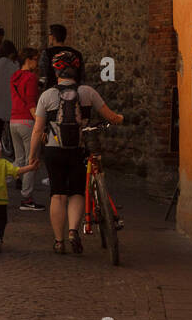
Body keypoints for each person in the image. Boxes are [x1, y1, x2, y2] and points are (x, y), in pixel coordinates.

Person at [28, 62, 123, 254]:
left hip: (54, 150)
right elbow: (110, 116)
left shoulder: (47, 95)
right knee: (76, 192)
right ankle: (72, 231)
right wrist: (120, 118)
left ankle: (58, 241)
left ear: (57, 75)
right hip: (79, 149)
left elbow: (38, 129)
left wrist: (32, 155)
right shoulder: (87, 92)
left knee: (58, 194)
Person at [0, 145, 37, 252]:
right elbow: (17, 171)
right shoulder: (4, 163)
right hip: (1, 200)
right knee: (1, 220)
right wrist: (31, 167)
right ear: (0, 152)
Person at [10, 48, 44, 211]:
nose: (37, 63)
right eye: (35, 59)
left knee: (19, 160)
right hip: (27, 121)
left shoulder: (14, 76)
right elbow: (31, 103)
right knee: (31, 161)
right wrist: (40, 123)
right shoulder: (31, 78)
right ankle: (27, 198)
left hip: (13, 121)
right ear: (28, 60)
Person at [38, 22, 84, 92]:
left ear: (53, 37)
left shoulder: (47, 53)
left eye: (49, 34)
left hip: (53, 91)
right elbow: (82, 76)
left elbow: (43, 75)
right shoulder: (77, 54)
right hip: (74, 92)